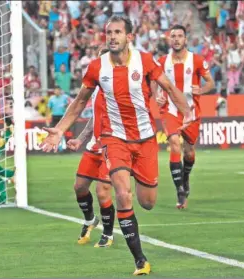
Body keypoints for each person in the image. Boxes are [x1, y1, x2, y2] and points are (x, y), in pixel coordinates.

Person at [40, 16, 193, 276]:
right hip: (114, 139)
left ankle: (135, 179)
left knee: (147, 203)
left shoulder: (144, 61)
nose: (112, 36)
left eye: (118, 32)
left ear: (129, 37)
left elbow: (168, 86)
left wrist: (187, 114)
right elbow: (79, 102)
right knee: (122, 194)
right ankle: (140, 261)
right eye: (109, 32)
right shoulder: (96, 67)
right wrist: (60, 130)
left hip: (145, 140)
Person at [153, 24, 215, 209]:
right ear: (169, 39)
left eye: (180, 36)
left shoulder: (196, 60)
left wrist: (201, 89)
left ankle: (185, 178)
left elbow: (210, 83)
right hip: (170, 110)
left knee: (189, 152)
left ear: (185, 39)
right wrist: (156, 94)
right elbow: (154, 80)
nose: (176, 39)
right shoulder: (162, 61)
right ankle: (180, 190)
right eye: (173, 36)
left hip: (191, 112)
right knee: (173, 142)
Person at [65, 47, 115, 248]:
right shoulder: (95, 90)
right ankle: (90, 220)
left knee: (103, 191)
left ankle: (108, 234)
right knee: (79, 187)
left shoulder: (121, 88)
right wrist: (80, 139)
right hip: (94, 145)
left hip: (113, 146)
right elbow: (95, 118)